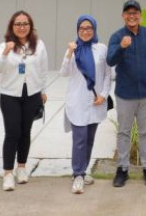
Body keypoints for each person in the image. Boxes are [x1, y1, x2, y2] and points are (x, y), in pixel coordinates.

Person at [0, 10, 50, 191]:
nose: (22, 27)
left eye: (25, 24)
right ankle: (8, 173)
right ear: (12, 27)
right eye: (18, 24)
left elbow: (43, 70)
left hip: (32, 94)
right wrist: (6, 53)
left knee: (26, 131)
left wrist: (43, 91)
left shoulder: (38, 45)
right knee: (12, 133)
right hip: (10, 95)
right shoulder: (4, 46)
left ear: (30, 26)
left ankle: (21, 167)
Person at [107, 0, 146, 187]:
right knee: (124, 132)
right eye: (128, 13)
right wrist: (121, 47)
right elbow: (110, 60)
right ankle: (122, 169)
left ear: (140, 15)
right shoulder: (117, 36)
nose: (132, 16)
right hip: (125, 94)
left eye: (135, 13)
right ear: (123, 16)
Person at [60, 15, 112, 194]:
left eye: (89, 28)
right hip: (77, 102)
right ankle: (78, 174)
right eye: (82, 28)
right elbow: (63, 72)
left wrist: (104, 95)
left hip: (95, 102)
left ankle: (83, 170)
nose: (86, 31)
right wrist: (68, 53)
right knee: (79, 140)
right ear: (77, 30)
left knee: (89, 140)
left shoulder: (102, 49)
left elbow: (107, 74)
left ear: (94, 29)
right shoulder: (73, 49)